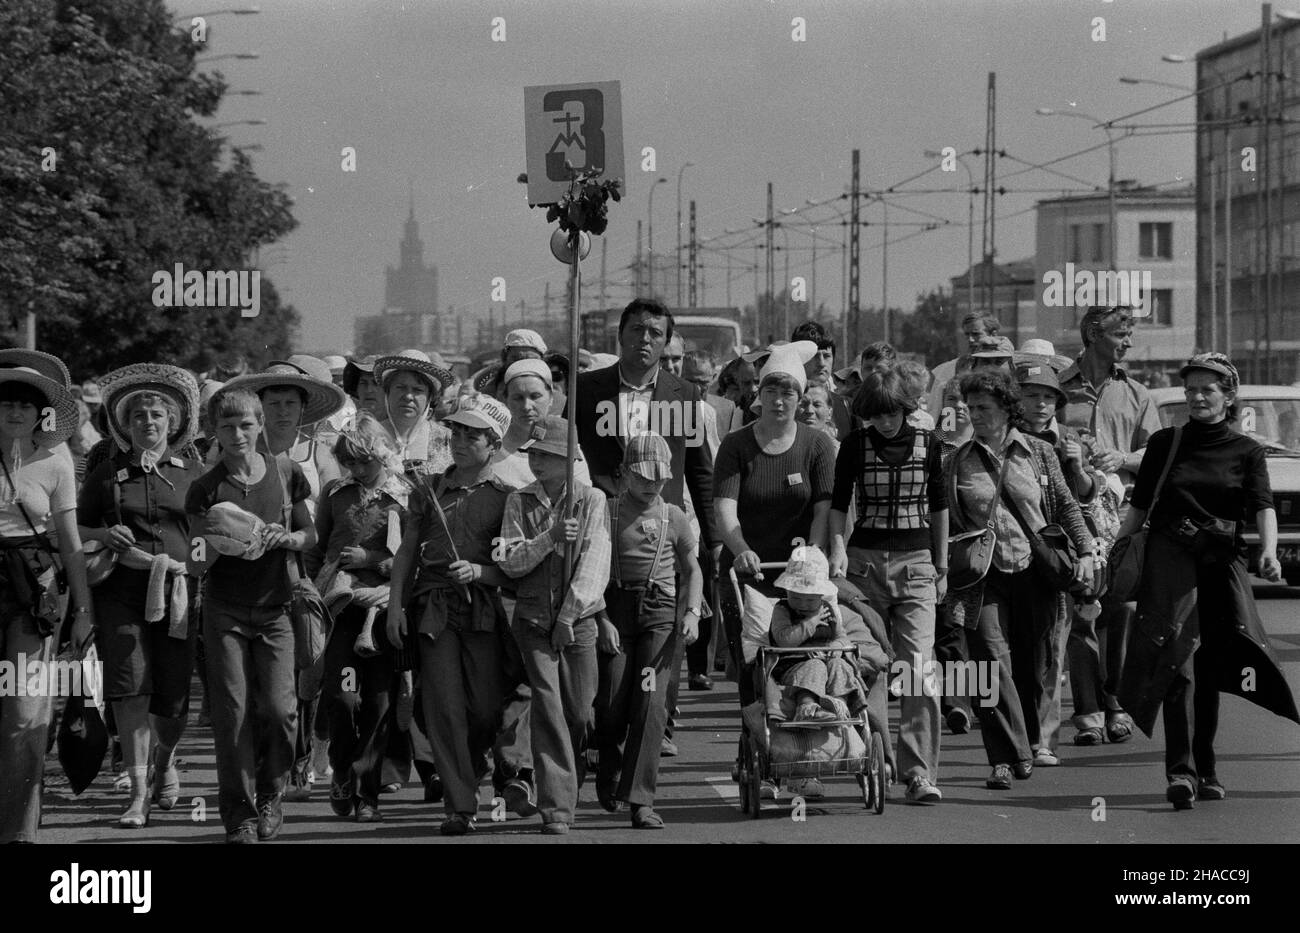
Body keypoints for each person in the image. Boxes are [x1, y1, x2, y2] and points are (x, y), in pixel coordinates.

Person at [1116, 353, 1300, 810]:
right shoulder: (1166, 443)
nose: (1197, 397)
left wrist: (1271, 552)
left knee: (1214, 667)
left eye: (1208, 390)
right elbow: (1139, 507)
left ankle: (1208, 767)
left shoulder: (1248, 451)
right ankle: (1181, 773)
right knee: (1179, 664)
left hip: (1222, 565)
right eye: (1192, 389)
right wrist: (1116, 550)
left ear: (1228, 397)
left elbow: (1263, 507)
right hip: (1171, 565)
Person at [945, 371, 1094, 790]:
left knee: (1034, 664)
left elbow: (1066, 506)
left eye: (984, 408)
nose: (975, 415)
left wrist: (1084, 552)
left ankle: (1027, 740)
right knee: (990, 663)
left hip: (1036, 571)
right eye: (971, 408)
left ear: (1007, 410)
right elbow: (943, 519)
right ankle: (1005, 758)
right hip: (981, 577)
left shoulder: (1039, 454)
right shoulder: (956, 459)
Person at [186, 386, 316, 842]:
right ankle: (239, 815)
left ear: (260, 425)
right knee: (234, 713)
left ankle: (271, 795)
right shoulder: (205, 487)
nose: (237, 434)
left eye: (246, 424)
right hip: (225, 612)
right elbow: (196, 560)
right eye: (226, 426)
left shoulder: (285, 471)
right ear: (213, 431)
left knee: (281, 711)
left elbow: (310, 535)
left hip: (277, 607)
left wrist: (285, 539)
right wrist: (229, 539)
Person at [76, 364, 203, 828]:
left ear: (172, 423)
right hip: (120, 592)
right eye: (138, 417)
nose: (147, 422)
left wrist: (193, 564)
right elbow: (79, 526)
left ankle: (165, 761)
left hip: (178, 594)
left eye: (156, 415)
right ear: (125, 426)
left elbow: (208, 533)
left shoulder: (196, 474)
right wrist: (106, 534)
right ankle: (137, 793)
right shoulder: (107, 473)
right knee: (129, 688)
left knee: (171, 699)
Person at [221, 357, 348, 800]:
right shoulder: (237, 453)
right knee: (256, 683)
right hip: (243, 574)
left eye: (289, 402)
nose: (281, 411)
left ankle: (305, 756)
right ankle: (268, 769)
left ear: (303, 407)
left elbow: (334, 514)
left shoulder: (319, 455)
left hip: (305, 571)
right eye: (272, 402)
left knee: (307, 669)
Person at [388, 393, 514, 835]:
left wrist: (482, 571)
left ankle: (475, 762)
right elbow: (407, 550)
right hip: (432, 610)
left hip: (483, 612)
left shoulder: (508, 498)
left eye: (472, 435)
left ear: (493, 444)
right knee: (443, 708)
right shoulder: (427, 489)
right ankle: (460, 805)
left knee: (483, 710)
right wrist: (394, 606)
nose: (460, 441)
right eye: (457, 432)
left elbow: (516, 570)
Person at [828, 368, 948, 805]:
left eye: (888, 415)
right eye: (872, 417)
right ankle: (878, 758)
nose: (880, 423)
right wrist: (837, 548)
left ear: (904, 407)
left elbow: (939, 507)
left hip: (917, 564)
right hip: (863, 565)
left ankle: (919, 772)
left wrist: (942, 565)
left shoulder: (931, 444)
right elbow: (839, 503)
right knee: (870, 664)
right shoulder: (854, 446)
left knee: (918, 670)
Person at [496, 415, 610, 834]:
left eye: (546, 455)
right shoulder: (518, 502)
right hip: (532, 621)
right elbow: (509, 561)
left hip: (576, 623)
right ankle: (557, 808)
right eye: (534, 455)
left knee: (578, 713)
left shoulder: (590, 500)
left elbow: (596, 564)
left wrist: (569, 615)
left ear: (567, 460)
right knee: (548, 709)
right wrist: (550, 538)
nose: (536, 463)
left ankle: (569, 775)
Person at [0, 351, 93, 845]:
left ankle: (19, 833)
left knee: (25, 712)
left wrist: (82, 612)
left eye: (26, 405)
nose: (15, 412)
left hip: (32, 591)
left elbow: (71, 542)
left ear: (42, 414)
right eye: (7, 402)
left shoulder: (57, 460)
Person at [1059, 305, 1162, 746]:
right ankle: (1087, 713)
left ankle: (1116, 703)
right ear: (1093, 333)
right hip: (1071, 518)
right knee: (1080, 614)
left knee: (1120, 612)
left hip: (1120, 522)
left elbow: (1155, 455)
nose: (1129, 342)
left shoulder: (1138, 394)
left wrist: (1122, 458)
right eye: (1122, 333)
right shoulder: (1059, 391)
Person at [715, 342, 836, 706]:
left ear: (799, 399)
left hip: (800, 574)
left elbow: (823, 509)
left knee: (806, 654)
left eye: (788, 393)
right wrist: (741, 549)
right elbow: (724, 508)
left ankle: (805, 722)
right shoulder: (736, 445)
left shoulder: (817, 444)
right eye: (771, 391)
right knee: (753, 661)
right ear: (759, 395)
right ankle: (757, 731)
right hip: (748, 570)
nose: (779, 400)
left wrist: (811, 555)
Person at [594, 433, 702, 827]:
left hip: (659, 612)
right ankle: (608, 767)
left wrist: (690, 612)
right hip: (614, 609)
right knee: (611, 702)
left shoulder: (673, 515)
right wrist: (601, 619)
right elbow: (587, 569)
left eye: (658, 477)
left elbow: (693, 569)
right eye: (642, 477)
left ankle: (641, 800)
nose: (650, 484)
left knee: (651, 704)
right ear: (624, 474)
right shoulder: (604, 510)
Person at [307, 413, 408, 823]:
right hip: (340, 611)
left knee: (379, 703)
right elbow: (317, 549)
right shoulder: (336, 493)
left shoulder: (404, 496)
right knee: (344, 696)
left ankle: (368, 794)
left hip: (383, 611)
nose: (357, 470)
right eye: (349, 462)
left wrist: (372, 560)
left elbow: (410, 557)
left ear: (382, 455)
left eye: (364, 462)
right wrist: (311, 590)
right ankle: (342, 767)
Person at [1015, 362, 1107, 768]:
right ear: (1016, 399)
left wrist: (1077, 464)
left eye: (1048, 396)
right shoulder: (1003, 439)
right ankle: (1017, 732)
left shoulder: (1071, 439)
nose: (1040, 404)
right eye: (1032, 395)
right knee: (1020, 651)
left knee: (1058, 645)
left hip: (1060, 558)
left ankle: (1046, 737)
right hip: (1012, 557)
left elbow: (1083, 499)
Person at [769, 546, 869, 722]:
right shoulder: (782, 610)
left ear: (821, 595)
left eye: (810, 600)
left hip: (828, 661)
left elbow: (841, 636)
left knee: (841, 666)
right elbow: (784, 640)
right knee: (815, 666)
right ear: (787, 591)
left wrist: (836, 646)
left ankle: (838, 704)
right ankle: (806, 706)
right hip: (795, 665)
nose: (803, 604)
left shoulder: (828, 610)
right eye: (796, 598)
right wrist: (810, 623)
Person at [495, 358, 590, 490]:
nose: (527, 406)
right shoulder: (491, 448)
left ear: (551, 398)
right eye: (518, 398)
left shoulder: (567, 449)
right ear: (505, 399)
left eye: (535, 396)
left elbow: (581, 500)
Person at [372, 349, 455, 480]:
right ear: (387, 392)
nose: (408, 396)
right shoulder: (368, 437)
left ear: (429, 398)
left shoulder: (448, 440)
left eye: (417, 390)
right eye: (401, 387)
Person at [925, 312, 1002, 417]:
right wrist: (949, 431)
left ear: (993, 334)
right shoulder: (947, 370)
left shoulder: (1006, 368)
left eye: (976, 334)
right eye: (967, 334)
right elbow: (936, 413)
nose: (970, 339)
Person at [343, 356, 385, 421]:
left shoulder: (401, 427)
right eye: (363, 383)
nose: (369, 390)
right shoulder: (346, 425)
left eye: (376, 383)